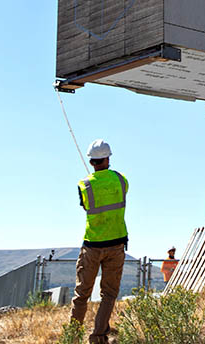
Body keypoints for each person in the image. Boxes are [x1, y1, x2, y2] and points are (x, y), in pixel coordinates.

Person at [69, 139, 129, 344]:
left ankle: (73, 337)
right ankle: (98, 337)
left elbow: (86, 207)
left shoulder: (84, 184)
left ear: (92, 161)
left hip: (92, 245)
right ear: (108, 158)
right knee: (109, 294)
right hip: (116, 244)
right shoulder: (121, 180)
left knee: (81, 294)